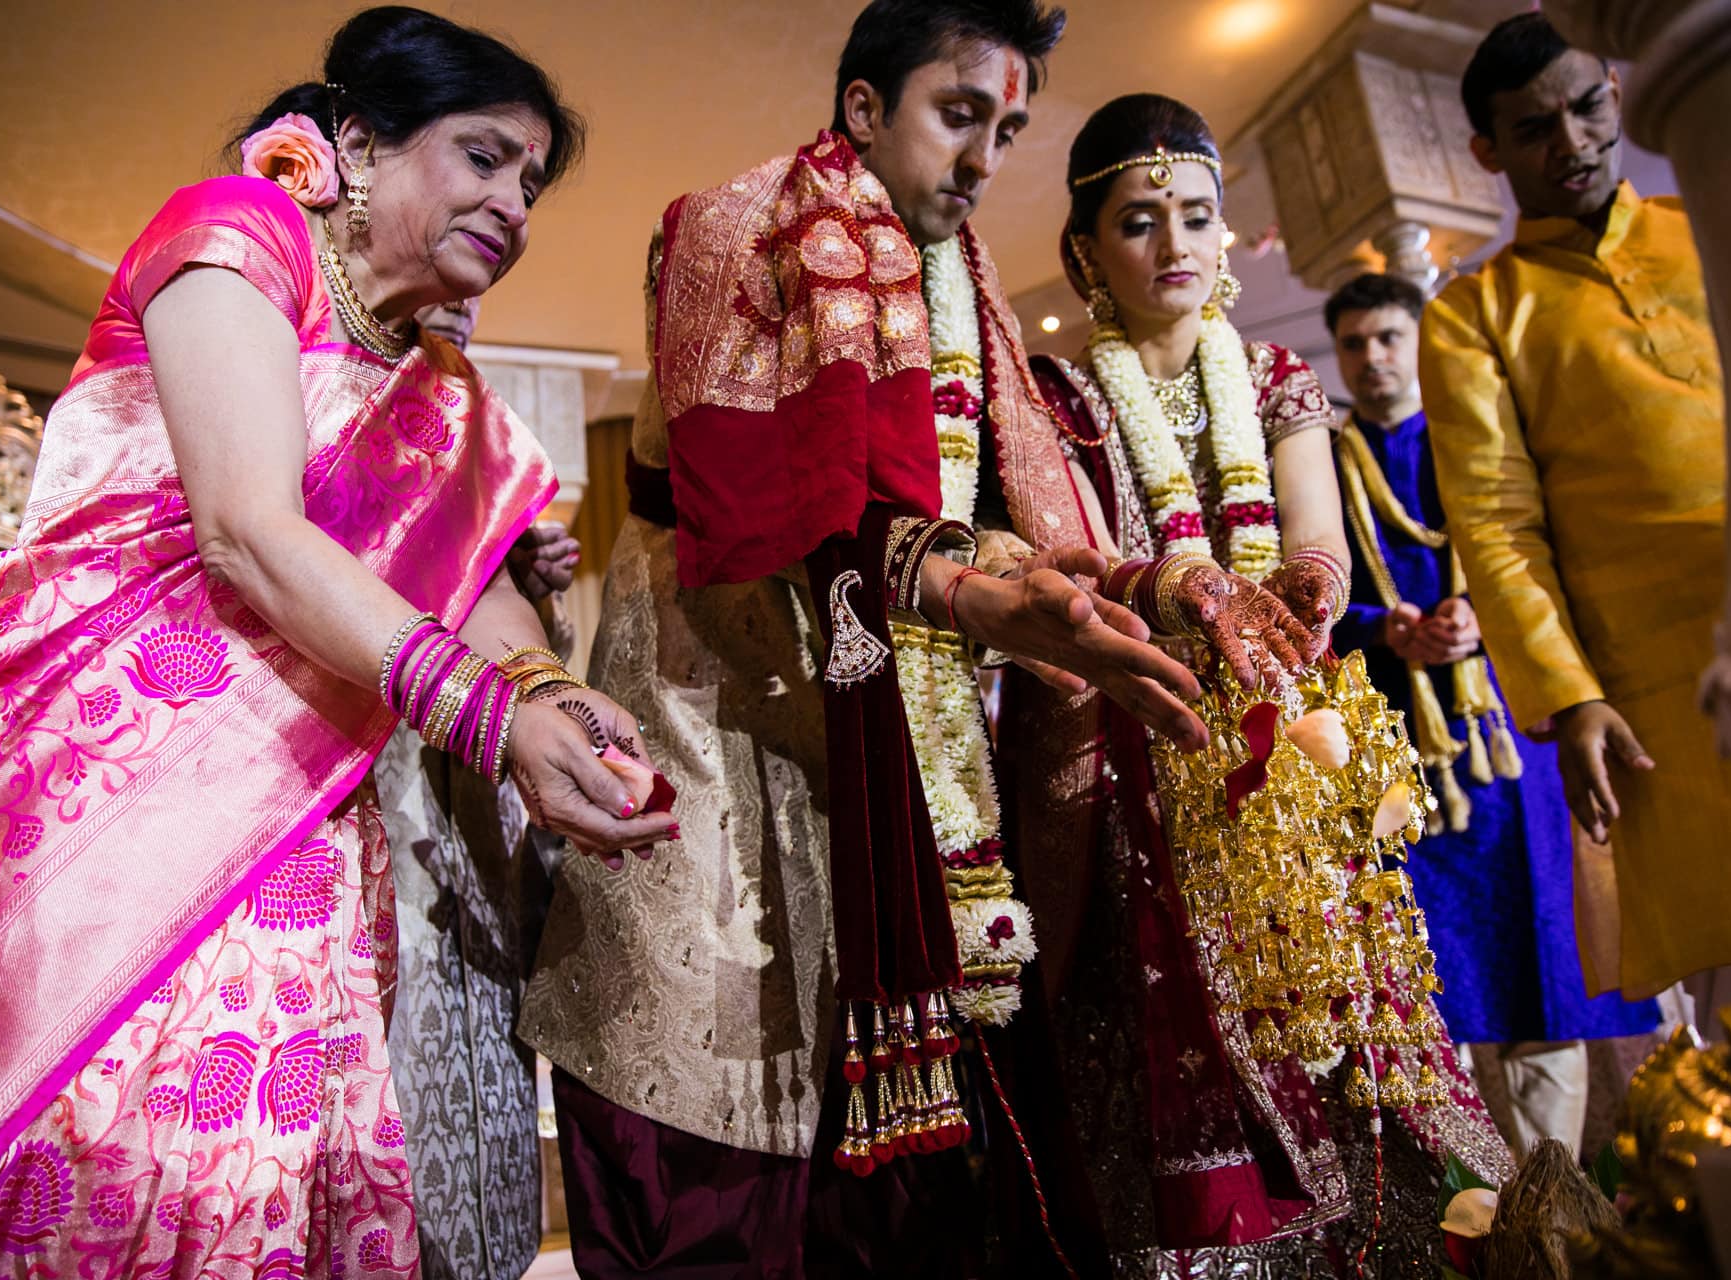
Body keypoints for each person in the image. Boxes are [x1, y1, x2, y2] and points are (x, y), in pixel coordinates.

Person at [0, 8, 676, 1277]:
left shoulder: (439, 392)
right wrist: (486, 715)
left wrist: (552, 697)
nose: (514, 204)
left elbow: (477, 594)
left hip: (295, 816)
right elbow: (247, 528)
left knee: (266, 1159)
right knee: (122, 1151)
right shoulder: (237, 237)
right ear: (355, 141)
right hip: (107, 786)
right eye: (482, 156)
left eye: (531, 181)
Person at [521, 3, 1218, 1274]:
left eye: (1005, 130)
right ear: (859, 108)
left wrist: (1140, 582)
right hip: (713, 727)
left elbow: (984, 516)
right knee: (720, 1144)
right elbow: (766, 521)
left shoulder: (966, 291)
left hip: (885, 738)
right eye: (960, 115)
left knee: (914, 1173)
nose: (984, 160)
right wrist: (977, 595)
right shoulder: (728, 230)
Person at [992, 94, 1514, 1276]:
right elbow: (1054, 556)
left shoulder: (1276, 374)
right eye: (1139, 220)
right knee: (1166, 1014)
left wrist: (1312, 592)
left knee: (1339, 999)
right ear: (1086, 252)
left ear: (1227, 234)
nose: (1175, 244)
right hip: (1140, 737)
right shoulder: (1059, 401)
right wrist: (1182, 592)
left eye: (1196, 215)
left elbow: (1311, 531)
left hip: (1281, 735)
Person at [1422, 12, 1731, 1010]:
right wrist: (1567, 694)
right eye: (1536, 128)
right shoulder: (1475, 311)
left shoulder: (1702, 217)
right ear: (1487, 150)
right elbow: (1495, 521)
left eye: (1587, 108)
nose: (1573, 143)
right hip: (1665, 697)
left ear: (1616, 95)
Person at [1324, 271, 1658, 1158]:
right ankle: (1475, 1195)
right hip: (1399, 744)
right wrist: (1382, 628)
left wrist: (1486, 617)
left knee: (1540, 947)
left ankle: (1560, 1189)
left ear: (1419, 342)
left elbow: (1539, 547)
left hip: (1506, 736)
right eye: (1355, 344)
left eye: (1390, 337)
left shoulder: (1476, 434)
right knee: (1437, 968)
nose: (1373, 359)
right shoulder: (1322, 460)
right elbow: (1313, 591)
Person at [375, 293, 584, 1278]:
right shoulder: (307, 404)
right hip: (366, 799)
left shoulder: (477, 426)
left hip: (482, 817)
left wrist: (528, 575)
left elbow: (513, 630)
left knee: (490, 1076)